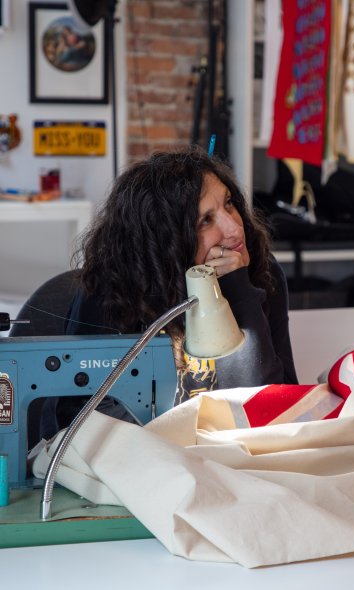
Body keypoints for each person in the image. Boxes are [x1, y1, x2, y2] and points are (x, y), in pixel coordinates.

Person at [41, 146, 298, 438]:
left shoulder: (259, 271)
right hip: (144, 459)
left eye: (228, 204)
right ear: (164, 240)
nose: (234, 229)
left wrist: (239, 290)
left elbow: (278, 402)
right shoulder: (111, 287)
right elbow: (73, 416)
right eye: (205, 221)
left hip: (232, 457)